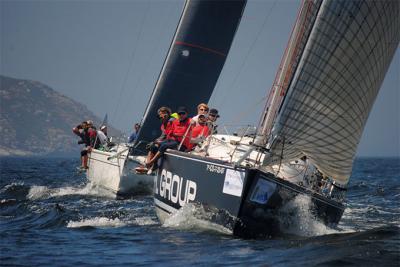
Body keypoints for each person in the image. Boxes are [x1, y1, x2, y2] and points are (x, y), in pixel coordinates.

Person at [146, 106, 191, 171]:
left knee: (163, 145)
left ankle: (151, 162)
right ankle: (150, 164)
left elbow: (193, 121)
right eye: (179, 114)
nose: (181, 115)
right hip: (171, 140)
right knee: (153, 146)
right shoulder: (170, 123)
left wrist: (175, 135)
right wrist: (157, 141)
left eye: (183, 113)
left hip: (179, 143)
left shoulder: (174, 121)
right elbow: (168, 134)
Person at [135, 107, 174, 173]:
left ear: (167, 114)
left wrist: (159, 141)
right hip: (165, 140)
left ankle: (149, 165)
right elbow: (163, 136)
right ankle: (148, 166)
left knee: (156, 145)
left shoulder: (172, 121)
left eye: (163, 114)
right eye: (160, 115)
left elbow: (171, 135)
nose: (161, 117)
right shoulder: (162, 125)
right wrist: (155, 141)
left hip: (172, 141)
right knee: (152, 146)